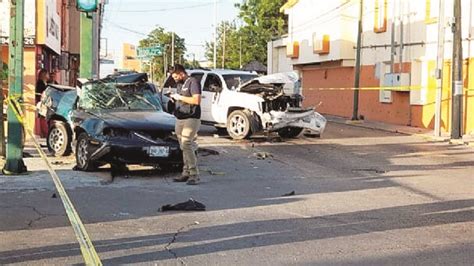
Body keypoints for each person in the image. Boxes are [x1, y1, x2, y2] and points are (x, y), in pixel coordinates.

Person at [169, 64, 202, 185]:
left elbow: (196, 100)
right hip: (180, 117)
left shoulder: (193, 82)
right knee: (183, 146)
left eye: (175, 76)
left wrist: (180, 97)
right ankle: (186, 172)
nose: (174, 78)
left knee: (186, 142)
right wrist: (174, 99)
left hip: (191, 117)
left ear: (181, 73)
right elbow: (181, 99)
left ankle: (194, 174)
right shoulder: (179, 85)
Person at [34, 69, 49, 137]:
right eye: (47, 74)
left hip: (45, 102)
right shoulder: (40, 83)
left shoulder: (46, 83)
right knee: (43, 117)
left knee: (44, 117)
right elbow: (40, 93)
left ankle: (45, 132)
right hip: (42, 102)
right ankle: (44, 132)